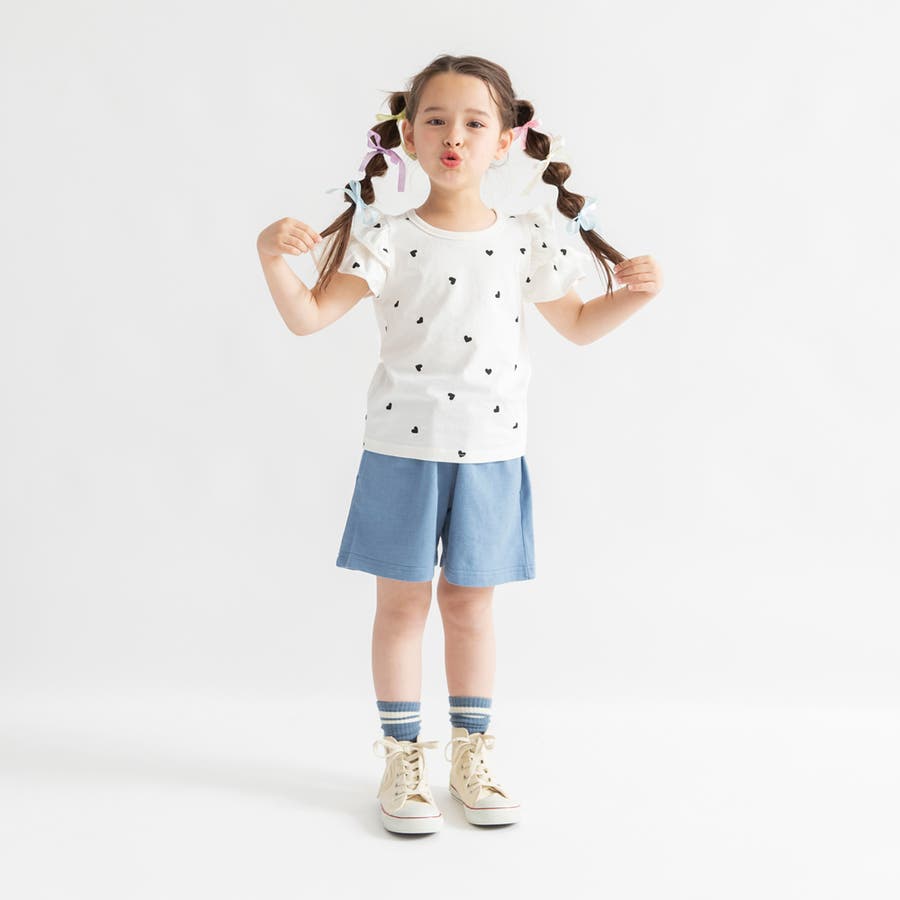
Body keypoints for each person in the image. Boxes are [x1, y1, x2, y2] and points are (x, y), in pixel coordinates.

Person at [256, 54, 663, 835]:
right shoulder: (384, 237)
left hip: (492, 451)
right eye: (436, 120)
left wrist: (638, 297)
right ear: (406, 136)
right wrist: (271, 256)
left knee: (472, 606)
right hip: (400, 452)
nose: (454, 137)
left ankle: (471, 756)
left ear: (507, 139)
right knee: (402, 605)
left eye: (475, 122)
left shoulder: (527, 237)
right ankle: (402, 758)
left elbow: (579, 324)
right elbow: (308, 316)